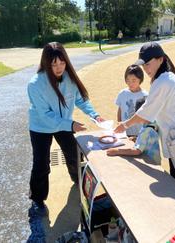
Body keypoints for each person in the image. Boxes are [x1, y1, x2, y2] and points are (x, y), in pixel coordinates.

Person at [27, 42, 104, 215]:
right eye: (53, 64)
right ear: (46, 63)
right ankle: (37, 199)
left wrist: (95, 115)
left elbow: (80, 99)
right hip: (41, 126)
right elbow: (46, 115)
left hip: (64, 123)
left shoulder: (69, 78)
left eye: (62, 63)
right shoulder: (35, 84)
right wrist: (70, 124)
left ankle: (78, 179)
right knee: (41, 163)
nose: (59, 67)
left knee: (74, 154)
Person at [114, 42, 175, 193]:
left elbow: (146, 112)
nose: (145, 69)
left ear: (160, 59)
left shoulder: (163, 82)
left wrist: (125, 125)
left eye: (148, 64)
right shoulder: (167, 76)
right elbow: (148, 107)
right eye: (143, 65)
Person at [115, 64, 148, 137]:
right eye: (128, 80)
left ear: (140, 79)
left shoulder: (145, 95)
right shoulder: (122, 93)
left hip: (139, 133)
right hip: (125, 132)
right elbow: (120, 109)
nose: (130, 83)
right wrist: (119, 122)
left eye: (134, 80)